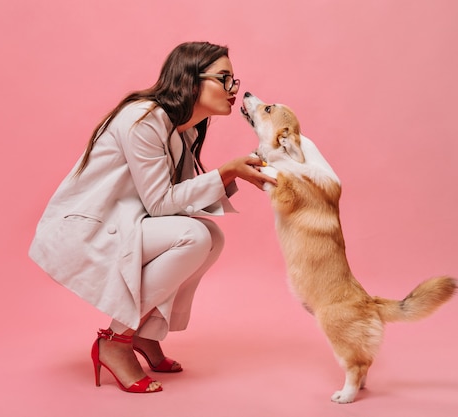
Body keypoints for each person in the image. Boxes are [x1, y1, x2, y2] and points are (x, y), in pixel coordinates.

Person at [28, 41, 276, 394]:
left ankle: (144, 334)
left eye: (233, 80)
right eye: (224, 78)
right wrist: (225, 173)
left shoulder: (183, 128)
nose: (233, 89)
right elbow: (161, 203)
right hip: (91, 229)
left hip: (128, 222)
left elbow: (175, 200)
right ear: (191, 80)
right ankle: (116, 340)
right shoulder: (143, 119)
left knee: (211, 238)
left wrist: (233, 173)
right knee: (195, 237)